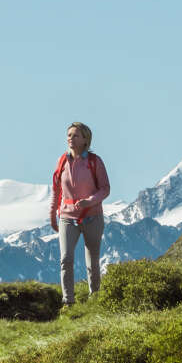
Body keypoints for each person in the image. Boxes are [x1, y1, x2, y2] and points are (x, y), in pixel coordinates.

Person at [48, 121, 111, 306]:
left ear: (85, 139)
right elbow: (56, 191)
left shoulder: (94, 162)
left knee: (92, 261)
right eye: (69, 135)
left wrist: (89, 201)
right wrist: (53, 215)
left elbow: (105, 189)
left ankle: (95, 298)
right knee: (65, 259)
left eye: (75, 135)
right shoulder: (62, 162)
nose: (71, 138)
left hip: (93, 217)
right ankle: (68, 302)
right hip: (67, 217)